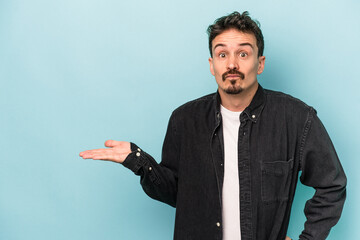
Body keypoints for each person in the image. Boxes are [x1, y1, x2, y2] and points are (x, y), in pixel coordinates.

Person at [79, 11, 346, 240]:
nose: (232, 64)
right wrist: (139, 161)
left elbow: (332, 184)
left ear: (260, 63)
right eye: (222, 54)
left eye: (243, 53)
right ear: (212, 65)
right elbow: (178, 194)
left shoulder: (296, 117)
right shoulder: (184, 120)